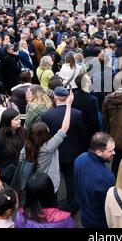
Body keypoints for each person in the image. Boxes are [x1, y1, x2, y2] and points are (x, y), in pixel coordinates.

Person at [21, 90, 73, 193]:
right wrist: (69, 105)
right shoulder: (48, 147)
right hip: (48, 182)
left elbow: (21, 159)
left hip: (32, 181)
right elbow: (64, 127)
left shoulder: (27, 146)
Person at [42, 86, 83, 214]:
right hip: (73, 153)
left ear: (55, 98)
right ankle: (72, 206)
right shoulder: (77, 113)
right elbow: (82, 133)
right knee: (71, 181)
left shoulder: (47, 114)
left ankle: (53, 206)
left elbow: (45, 136)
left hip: (54, 153)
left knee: (53, 179)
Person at [74, 132, 116, 228]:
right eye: (110, 151)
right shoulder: (106, 177)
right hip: (100, 222)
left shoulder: (79, 159)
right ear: (98, 152)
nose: (114, 153)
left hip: (84, 216)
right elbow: (109, 206)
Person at [0, 108, 26, 192]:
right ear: (8, 121)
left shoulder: (21, 131)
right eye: (16, 119)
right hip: (5, 177)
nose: (19, 121)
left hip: (20, 172)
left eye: (19, 118)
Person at [73, 73, 100, 153]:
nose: (90, 79)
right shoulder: (92, 99)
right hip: (88, 133)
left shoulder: (74, 96)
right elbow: (94, 121)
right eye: (89, 78)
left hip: (76, 131)